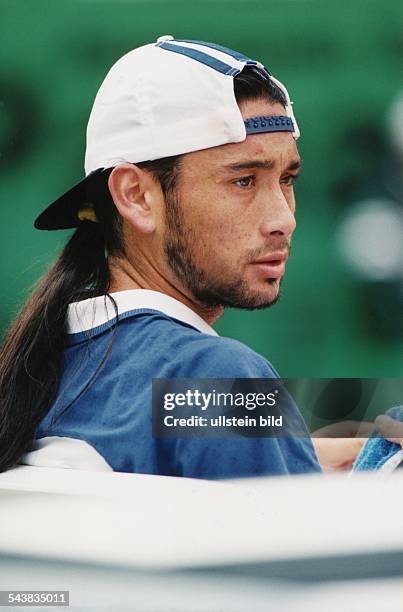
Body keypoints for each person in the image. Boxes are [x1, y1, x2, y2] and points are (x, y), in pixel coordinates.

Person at [0, 36, 356, 477]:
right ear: (136, 197)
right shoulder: (221, 379)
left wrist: (299, 452)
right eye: (244, 180)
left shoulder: (42, 366)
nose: (284, 219)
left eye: (287, 179)